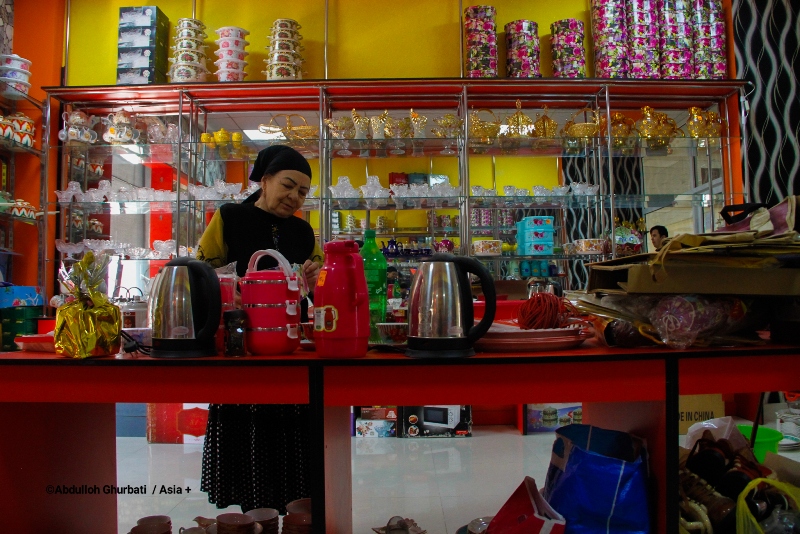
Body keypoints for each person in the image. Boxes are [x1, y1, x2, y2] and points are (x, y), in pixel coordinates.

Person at [196, 145, 321, 513]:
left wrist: (315, 277)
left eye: (302, 192)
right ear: (264, 181)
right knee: (247, 428)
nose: (294, 197)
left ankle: (295, 514)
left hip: (290, 344)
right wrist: (230, 286)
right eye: (288, 185)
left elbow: (319, 282)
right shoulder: (230, 217)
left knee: (292, 430)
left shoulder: (303, 230)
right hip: (242, 346)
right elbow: (202, 271)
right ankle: (252, 517)